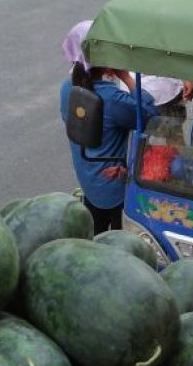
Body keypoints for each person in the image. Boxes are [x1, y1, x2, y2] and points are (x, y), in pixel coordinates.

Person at [60, 22, 158, 234]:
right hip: (113, 185)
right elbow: (151, 114)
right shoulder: (113, 99)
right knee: (117, 238)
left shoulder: (67, 88)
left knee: (97, 232)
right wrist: (126, 76)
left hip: (87, 176)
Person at [129, 0, 193, 112]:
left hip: (131, 87)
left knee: (140, 132)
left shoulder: (123, 2)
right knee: (172, 134)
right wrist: (187, 77)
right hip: (163, 90)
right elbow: (177, 44)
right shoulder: (168, 6)